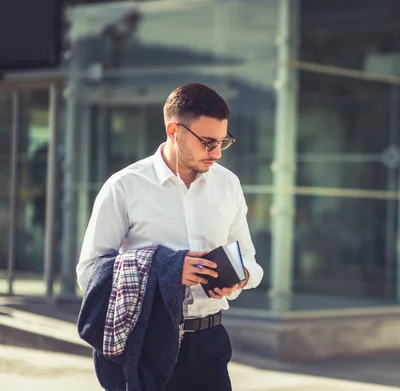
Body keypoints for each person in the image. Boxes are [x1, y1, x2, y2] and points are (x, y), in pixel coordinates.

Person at [76, 82, 263, 391]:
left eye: (223, 142)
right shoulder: (124, 186)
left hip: (210, 344)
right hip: (146, 344)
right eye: (207, 142)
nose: (216, 153)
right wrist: (167, 269)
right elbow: (89, 274)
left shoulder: (228, 185)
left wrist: (240, 277)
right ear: (174, 130)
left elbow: (250, 260)